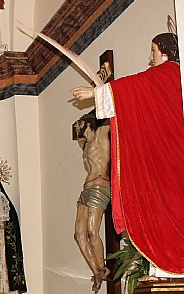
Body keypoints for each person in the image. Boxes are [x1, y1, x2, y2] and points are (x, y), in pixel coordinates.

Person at [71, 33, 184, 276]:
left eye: (153, 51)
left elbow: (130, 88)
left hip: (167, 158)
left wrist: (94, 93)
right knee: (81, 233)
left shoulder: (166, 74)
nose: (150, 57)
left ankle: (166, 266)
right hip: (169, 155)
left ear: (165, 53)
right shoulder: (170, 78)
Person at [73, 113, 111, 293]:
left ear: (89, 125)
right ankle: (97, 271)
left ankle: (103, 267)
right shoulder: (85, 145)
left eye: (80, 124)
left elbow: (110, 115)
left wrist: (101, 97)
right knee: (79, 235)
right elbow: (80, 139)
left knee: (91, 231)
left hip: (100, 187)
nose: (77, 127)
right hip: (86, 190)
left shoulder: (101, 137)